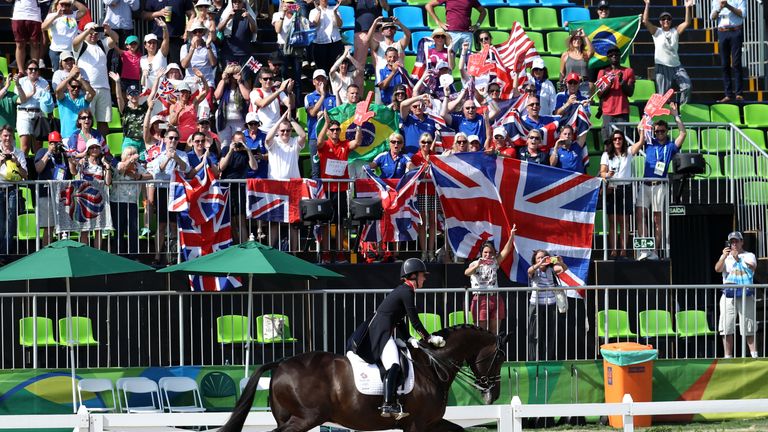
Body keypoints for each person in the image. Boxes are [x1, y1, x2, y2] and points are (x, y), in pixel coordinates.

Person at [347, 258, 445, 418]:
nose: (425, 278)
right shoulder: (407, 291)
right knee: (394, 364)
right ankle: (388, 404)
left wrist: (408, 338)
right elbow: (414, 320)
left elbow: (399, 319)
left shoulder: (403, 290)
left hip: (383, 331)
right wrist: (428, 338)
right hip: (381, 334)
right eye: (422, 275)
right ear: (413, 275)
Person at [630, 102, 686, 261]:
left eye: (662, 131)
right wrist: (648, 115)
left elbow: (683, 133)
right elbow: (640, 129)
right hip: (645, 184)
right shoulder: (649, 142)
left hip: (660, 185)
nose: (659, 134)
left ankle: (654, 251)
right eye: (657, 132)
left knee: (657, 218)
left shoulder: (670, 146)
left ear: (666, 131)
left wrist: (676, 115)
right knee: (640, 214)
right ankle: (644, 249)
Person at [146, 127, 190, 266]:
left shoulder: (182, 154)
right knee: (161, 225)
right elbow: (158, 173)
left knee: (173, 225)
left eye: (176, 138)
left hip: (176, 192)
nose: (173, 141)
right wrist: (168, 158)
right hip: (163, 191)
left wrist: (175, 157)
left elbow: (186, 169)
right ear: (165, 139)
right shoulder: (159, 155)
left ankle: (173, 255)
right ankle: (158, 256)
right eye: (170, 138)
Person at [714, 231, 758, 358]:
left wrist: (738, 258)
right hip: (729, 294)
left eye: (736, 241)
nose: (734, 244)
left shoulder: (749, 255)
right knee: (726, 326)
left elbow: (752, 267)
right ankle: (728, 357)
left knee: (749, 325)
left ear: (742, 242)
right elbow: (717, 269)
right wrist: (723, 257)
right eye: (731, 242)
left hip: (746, 293)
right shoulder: (726, 257)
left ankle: (754, 356)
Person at [465, 227, 516, 334]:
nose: (488, 255)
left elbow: (506, 251)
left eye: (490, 252)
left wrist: (511, 236)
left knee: (494, 332)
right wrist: (478, 265)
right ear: (481, 253)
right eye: (485, 252)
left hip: (495, 298)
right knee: (481, 332)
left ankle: (494, 351)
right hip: (480, 299)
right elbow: (467, 273)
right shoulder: (475, 263)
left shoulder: (494, 262)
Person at [643, 0, 694, 106]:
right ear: (660, 21)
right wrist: (647, 4)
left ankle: (681, 109)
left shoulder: (675, 30)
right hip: (662, 67)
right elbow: (645, 21)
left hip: (677, 66)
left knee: (687, 86)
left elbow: (687, 22)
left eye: (668, 19)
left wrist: (687, 8)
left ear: (671, 21)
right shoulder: (657, 31)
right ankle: (663, 116)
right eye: (663, 19)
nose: (666, 20)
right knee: (662, 96)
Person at [73, 22, 118, 137]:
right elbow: (74, 42)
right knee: (87, 121)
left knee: (103, 121)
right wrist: (88, 30)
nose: (93, 34)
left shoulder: (102, 44)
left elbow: (115, 39)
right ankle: (89, 146)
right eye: (90, 32)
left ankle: (102, 147)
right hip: (87, 88)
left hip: (104, 88)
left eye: (95, 32)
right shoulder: (81, 46)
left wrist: (109, 31)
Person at [600, 131, 637, 259]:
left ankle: (624, 251)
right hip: (612, 188)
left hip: (625, 188)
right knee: (613, 222)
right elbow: (602, 172)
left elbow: (641, 142)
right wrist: (608, 175)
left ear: (623, 140)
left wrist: (642, 129)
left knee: (624, 222)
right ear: (612, 140)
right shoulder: (606, 155)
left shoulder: (629, 152)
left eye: (620, 138)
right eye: (615, 139)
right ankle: (614, 250)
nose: (617, 141)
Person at [527, 249, 568, 361]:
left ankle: (548, 359)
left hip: (551, 305)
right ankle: (534, 360)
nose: (542, 259)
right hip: (536, 305)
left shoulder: (551, 269)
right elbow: (529, 271)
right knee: (534, 334)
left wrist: (560, 262)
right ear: (535, 260)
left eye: (543, 257)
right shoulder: (535, 270)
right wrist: (539, 264)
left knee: (550, 334)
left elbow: (563, 269)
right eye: (538, 258)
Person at [111, 146, 151, 257]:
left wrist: (139, 176)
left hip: (132, 202)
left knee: (133, 229)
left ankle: (133, 255)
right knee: (119, 229)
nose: (133, 156)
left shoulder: (138, 167)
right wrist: (130, 161)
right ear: (124, 155)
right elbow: (122, 169)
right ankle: (119, 255)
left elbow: (151, 175)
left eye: (134, 153)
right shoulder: (119, 164)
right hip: (118, 201)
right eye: (129, 154)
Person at [220, 130, 259, 244]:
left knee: (241, 219)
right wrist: (231, 151)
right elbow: (221, 167)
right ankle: (236, 244)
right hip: (227, 188)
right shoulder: (226, 150)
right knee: (230, 219)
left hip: (240, 188)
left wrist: (247, 150)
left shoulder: (246, 152)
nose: (239, 144)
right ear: (232, 140)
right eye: (237, 141)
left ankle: (244, 245)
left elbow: (254, 167)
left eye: (241, 141)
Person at [34, 131, 72, 246]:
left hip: (62, 195)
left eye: (57, 143)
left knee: (63, 228)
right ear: (48, 143)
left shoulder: (63, 155)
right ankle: (47, 255)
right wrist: (48, 154)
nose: (55, 145)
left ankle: (64, 254)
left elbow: (72, 172)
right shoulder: (42, 152)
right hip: (46, 194)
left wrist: (69, 157)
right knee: (48, 228)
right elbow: (38, 168)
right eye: (52, 143)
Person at [0, 125, 29, 263]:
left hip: (12, 189)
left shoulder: (18, 152)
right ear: (1, 136)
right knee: (0, 223)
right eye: (5, 135)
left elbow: (25, 175)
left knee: (11, 222)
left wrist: (17, 163)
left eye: (10, 136)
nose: (7, 138)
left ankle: (4, 254)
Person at [406, 132, 436, 261]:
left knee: (433, 222)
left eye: (428, 142)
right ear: (419, 143)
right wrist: (424, 167)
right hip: (420, 193)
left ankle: (431, 251)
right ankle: (424, 252)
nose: (426, 144)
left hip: (433, 192)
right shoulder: (415, 157)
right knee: (423, 223)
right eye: (423, 142)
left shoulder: (435, 156)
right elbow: (414, 174)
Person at [596, 46, 635, 142]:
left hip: (622, 111)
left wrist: (622, 81)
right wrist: (609, 83)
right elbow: (599, 94)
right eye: (611, 55)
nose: (614, 56)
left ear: (620, 56)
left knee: (623, 141)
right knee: (608, 142)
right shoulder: (603, 72)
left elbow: (630, 93)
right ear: (608, 58)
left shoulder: (628, 71)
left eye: (616, 54)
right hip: (607, 112)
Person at [711, 0, 746, 102]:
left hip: (736, 31)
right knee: (724, 64)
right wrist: (719, 8)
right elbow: (712, 17)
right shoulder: (716, 1)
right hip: (722, 32)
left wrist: (728, 6)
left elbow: (743, 14)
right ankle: (728, 94)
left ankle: (739, 94)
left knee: (736, 63)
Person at [15, 60, 52, 155]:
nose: (33, 71)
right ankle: (23, 168)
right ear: (26, 70)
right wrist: (31, 93)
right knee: (25, 146)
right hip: (24, 113)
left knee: (38, 148)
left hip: (39, 114)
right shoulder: (21, 82)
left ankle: (37, 169)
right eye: (30, 69)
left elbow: (47, 100)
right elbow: (18, 100)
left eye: (35, 69)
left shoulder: (43, 82)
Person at [305, 69, 337, 178]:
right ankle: (317, 195)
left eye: (322, 79)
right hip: (315, 137)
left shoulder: (333, 98)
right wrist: (323, 96)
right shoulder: (309, 97)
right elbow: (312, 113)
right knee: (316, 169)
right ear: (313, 82)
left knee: (331, 169)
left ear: (326, 81)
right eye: (318, 79)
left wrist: (326, 116)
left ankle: (330, 194)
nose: (320, 82)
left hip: (330, 138)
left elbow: (337, 119)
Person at [350, 0, 389, 86]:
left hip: (377, 32)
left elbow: (386, 8)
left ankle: (382, 94)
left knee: (380, 64)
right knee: (358, 67)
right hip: (361, 33)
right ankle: (357, 96)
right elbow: (342, 2)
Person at [142, 0, 194, 65]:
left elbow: (192, 14)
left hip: (177, 39)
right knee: (158, 66)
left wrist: (187, 31)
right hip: (158, 40)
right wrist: (159, 13)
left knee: (176, 68)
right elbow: (144, 15)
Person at [56, 66, 96, 147]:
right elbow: (58, 90)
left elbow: (92, 93)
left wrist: (80, 80)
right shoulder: (63, 98)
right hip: (67, 137)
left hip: (82, 137)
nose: (76, 89)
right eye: (73, 86)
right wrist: (70, 76)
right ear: (68, 86)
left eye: (78, 87)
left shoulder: (83, 99)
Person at [41, 0, 88, 67]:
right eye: (62, 4)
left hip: (71, 51)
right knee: (59, 74)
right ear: (56, 5)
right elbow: (43, 27)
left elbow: (84, 11)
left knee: (72, 74)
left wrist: (73, 1)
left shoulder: (73, 15)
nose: (64, 7)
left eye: (67, 5)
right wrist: (56, 16)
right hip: (57, 50)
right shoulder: (52, 15)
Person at [213, 63, 250, 148]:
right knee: (225, 144)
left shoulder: (243, 83)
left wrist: (240, 83)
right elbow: (216, 96)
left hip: (239, 119)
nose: (233, 77)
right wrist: (223, 80)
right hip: (224, 119)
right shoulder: (224, 84)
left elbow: (247, 96)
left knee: (238, 143)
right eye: (231, 74)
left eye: (235, 74)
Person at [367, 17, 410, 86]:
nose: (389, 29)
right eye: (386, 28)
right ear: (382, 32)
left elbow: (408, 35)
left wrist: (399, 24)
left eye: (392, 28)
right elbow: (368, 39)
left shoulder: (400, 44)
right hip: (382, 80)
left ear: (395, 31)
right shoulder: (379, 45)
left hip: (398, 80)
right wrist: (375, 23)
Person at [109, 74, 146, 155]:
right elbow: (119, 97)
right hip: (129, 140)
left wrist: (157, 79)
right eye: (131, 94)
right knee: (127, 163)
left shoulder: (144, 108)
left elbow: (152, 94)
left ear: (139, 95)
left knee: (143, 165)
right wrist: (117, 82)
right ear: (127, 96)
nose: (134, 96)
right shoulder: (125, 109)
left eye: (136, 93)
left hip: (142, 141)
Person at [168, 75, 209, 146]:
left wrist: (202, 77)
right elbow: (173, 123)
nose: (185, 94)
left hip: (194, 141)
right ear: (178, 93)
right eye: (182, 92)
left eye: (187, 92)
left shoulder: (193, 103)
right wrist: (178, 111)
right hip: (179, 141)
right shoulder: (173, 106)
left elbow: (206, 91)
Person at [265, 111, 305, 180]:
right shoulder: (274, 141)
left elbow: (303, 135)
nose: (285, 132)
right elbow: (267, 139)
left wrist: (291, 120)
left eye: (288, 130)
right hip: (275, 183)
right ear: (278, 131)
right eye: (282, 130)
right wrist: (281, 119)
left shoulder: (295, 141)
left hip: (293, 183)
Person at [309, 0, 344, 75]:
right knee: (321, 70)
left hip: (335, 42)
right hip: (319, 43)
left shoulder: (334, 9)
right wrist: (319, 12)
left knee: (334, 70)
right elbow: (314, 24)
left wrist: (335, 12)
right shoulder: (313, 11)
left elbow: (339, 24)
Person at [11, 0, 42, 74]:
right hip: (18, 14)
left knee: (35, 44)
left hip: (34, 15)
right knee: (20, 45)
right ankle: (21, 71)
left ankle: (34, 69)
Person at [140, 22, 170, 91]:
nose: (152, 45)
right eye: (149, 42)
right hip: (147, 91)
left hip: (161, 91)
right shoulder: (142, 59)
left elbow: (166, 40)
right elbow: (142, 81)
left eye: (154, 42)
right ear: (145, 45)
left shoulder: (161, 54)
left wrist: (165, 28)